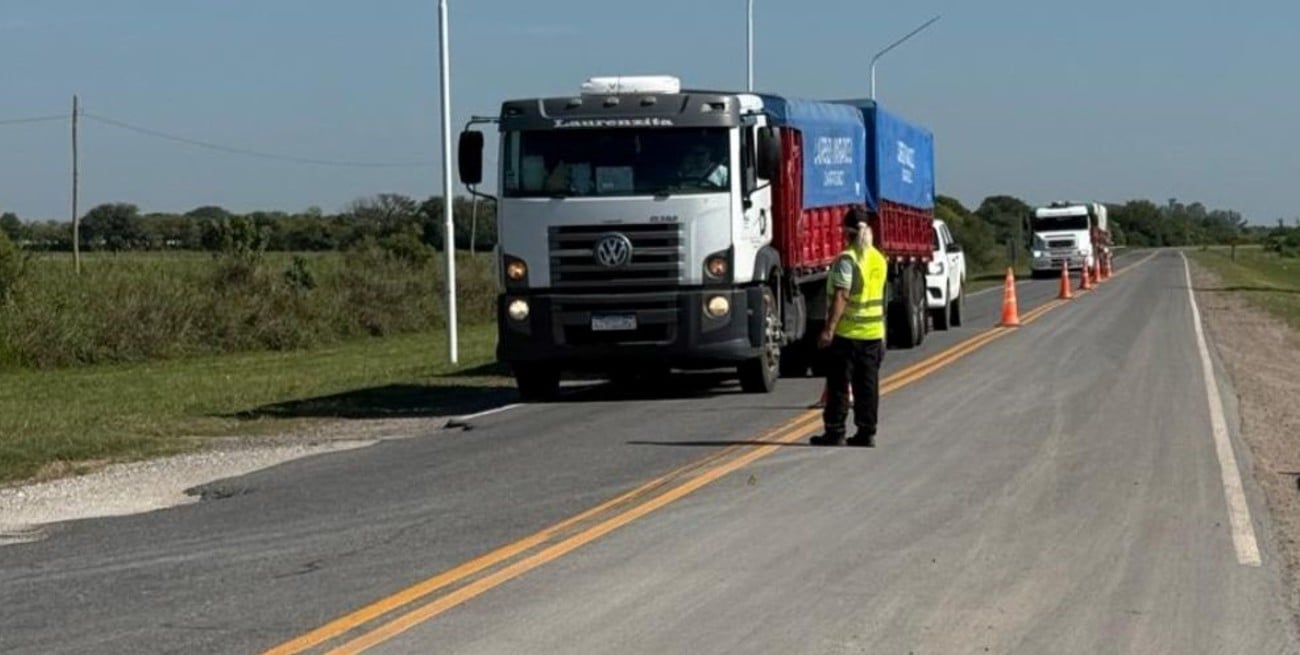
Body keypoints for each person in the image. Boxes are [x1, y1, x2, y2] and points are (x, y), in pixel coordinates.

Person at [810, 205, 887, 447]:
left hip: (848, 334)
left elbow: (842, 295)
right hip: (874, 333)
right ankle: (867, 432)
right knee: (868, 386)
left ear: (847, 231)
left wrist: (829, 329)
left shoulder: (848, 259)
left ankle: (835, 431)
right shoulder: (878, 258)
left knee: (840, 385)